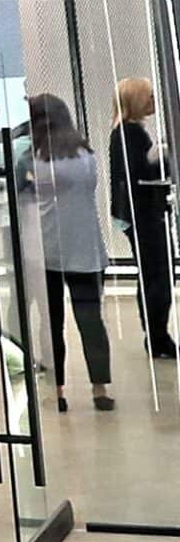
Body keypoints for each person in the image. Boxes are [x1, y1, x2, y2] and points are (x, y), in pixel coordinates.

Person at [30, 94, 115, 410]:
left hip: (47, 249)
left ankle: (58, 391)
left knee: (51, 323)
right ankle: (99, 389)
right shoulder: (86, 154)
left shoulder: (36, 159)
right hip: (86, 249)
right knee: (91, 320)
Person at [109, 76, 176, 358]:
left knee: (154, 273)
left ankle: (157, 333)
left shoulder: (127, 132)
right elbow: (138, 173)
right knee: (157, 274)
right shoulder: (129, 134)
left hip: (140, 213)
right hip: (143, 214)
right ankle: (157, 334)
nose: (153, 102)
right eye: (148, 96)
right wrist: (162, 156)